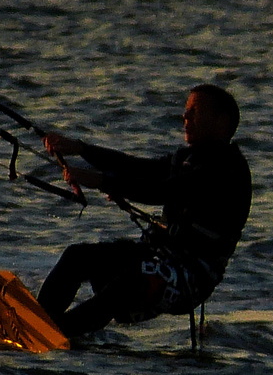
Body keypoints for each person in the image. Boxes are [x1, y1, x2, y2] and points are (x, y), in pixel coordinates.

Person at [35, 84, 251, 338]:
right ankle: (38, 321)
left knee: (130, 281)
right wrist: (80, 149)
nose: (185, 117)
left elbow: (162, 191)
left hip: (190, 277)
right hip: (155, 255)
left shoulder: (226, 169)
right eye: (186, 111)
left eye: (195, 111)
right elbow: (137, 168)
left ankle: (56, 334)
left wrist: (100, 180)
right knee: (78, 256)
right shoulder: (188, 158)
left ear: (221, 123)